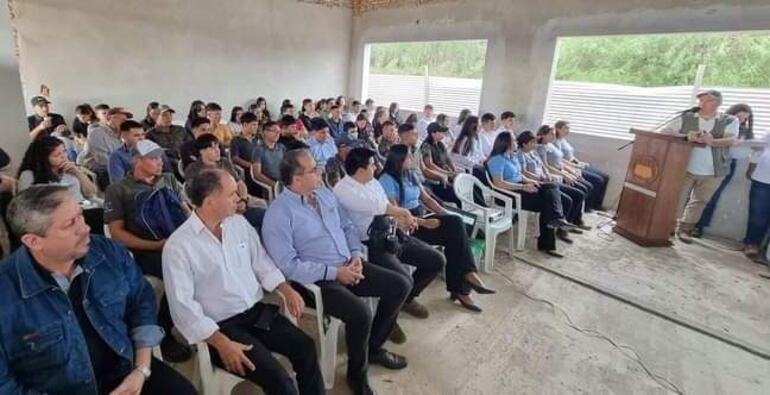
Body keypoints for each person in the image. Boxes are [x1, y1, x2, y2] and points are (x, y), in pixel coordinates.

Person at [0, 185, 197, 394]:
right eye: (69, 224)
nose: (84, 228)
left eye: (80, 216)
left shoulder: (107, 252)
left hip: (125, 368)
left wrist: (141, 369)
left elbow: (140, 302)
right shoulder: (6, 292)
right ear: (33, 241)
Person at [262, 149, 411, 395]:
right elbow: (288, 266)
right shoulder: (278, 213)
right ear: (297, 179)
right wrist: (334, 273)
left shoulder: (325, 195)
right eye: (313, 170)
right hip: (317, 280)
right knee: (360, 314)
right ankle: (357, 375)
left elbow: (347, 226)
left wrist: (355, 254)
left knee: (400, 285)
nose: (320, 172)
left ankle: (373, 347)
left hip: (348, 264)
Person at [163, 169, 323, 394]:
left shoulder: (238, 224)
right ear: (210, 202)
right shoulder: (179, 246)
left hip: (256, 314)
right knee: (279, 380)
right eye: (231, 194)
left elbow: (262, 262)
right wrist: (221, 344)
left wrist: (285, 288)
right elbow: (184, 309)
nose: (239, 198)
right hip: (220, 328)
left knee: (305, 348)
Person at [104, 139, 192, 362]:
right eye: (153, 158)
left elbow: (185, 211)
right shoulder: (119, 189)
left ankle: (207, 318)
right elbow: (117, 233)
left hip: (177, 241)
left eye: (160, 157)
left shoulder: (169, 179)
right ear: (137, 160)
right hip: (147, 249)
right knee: (176, 276)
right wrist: (157, 245)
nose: (160, 162)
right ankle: (164, 330)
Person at [378, 145, 495, 311]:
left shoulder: (410, 175)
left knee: (455, 223)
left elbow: (426, 199)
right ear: (399, 160)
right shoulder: (387, 180)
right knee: (451, 234)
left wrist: (443, 214)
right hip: (406, 226)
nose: (412, 159)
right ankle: (458, 286)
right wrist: (424, 222)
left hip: (422, 217)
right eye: (409, 157)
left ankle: (465, 281)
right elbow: (397, 215)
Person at [662, 90, 739, 243]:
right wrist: (685, 136)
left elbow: (732, 140)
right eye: (700, 100)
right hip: (683, 166)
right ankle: (667, 226)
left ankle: (685, 229)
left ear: (717, 103)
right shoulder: (687, 116)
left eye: (706, 100)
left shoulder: (729, 120)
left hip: (714, 170)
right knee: (675, 197)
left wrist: (712, 142)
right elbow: (665, 132)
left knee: (700, 201)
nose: (701, 103)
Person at [486, 132, 576, 257]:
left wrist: (531, 181)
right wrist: (523, 186)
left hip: (522, 187)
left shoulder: (511, 156)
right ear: (506, 143)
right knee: (549, 203)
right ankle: (548, 239)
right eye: (514, 141)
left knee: (556, 192)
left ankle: (556, 219)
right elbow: (498, 184)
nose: (516, 143)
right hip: (509, 193)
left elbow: (519, 175)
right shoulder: (497, 160)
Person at [17, 136, 102, 235]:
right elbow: (27, 205)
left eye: (64, 151)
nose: (64, 157)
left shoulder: (69, 169)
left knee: (108, 212)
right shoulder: (29, 175)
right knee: (98, 216)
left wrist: (77, 173)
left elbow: (91, 193)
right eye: (57, 155)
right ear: (43, 158)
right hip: (58, 214)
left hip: (83, 205)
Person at [517, 131, 590, 243]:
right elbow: (524, 172)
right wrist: (540, 178)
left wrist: (546, 174)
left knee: (578, 194)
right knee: (566, 201)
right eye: (532, 143)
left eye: (534, 142)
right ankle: (557, 227)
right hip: (538, 182)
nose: (534, 145)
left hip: (547, 180)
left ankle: (564, 225)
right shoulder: (519, 154)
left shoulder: (534, 153)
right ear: (524, 144)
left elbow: (543, 165)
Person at [694, 104, 754, 237]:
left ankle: (699, 226)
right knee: (697, 193)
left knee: (713, 195)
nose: (741, 121)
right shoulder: (718, 123)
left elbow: (742, 153)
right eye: (739, 117)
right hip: (708, 159)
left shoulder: (746, 133)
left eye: (745, 119)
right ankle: (685, 223)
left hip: (727, 163)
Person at [184, 134, 267, 230]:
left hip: (238, 199)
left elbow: (240, 183)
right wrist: (230, 206)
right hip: (218, 208)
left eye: (218, 147)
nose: (217, 150)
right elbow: (198, 198)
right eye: (212, 148)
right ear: (201, 151)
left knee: (266, 210)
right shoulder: (193, 169)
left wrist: (243, 200)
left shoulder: (224, 162)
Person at [536, 125, 596, 213]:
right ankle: (573, 218)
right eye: (551, 134)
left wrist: (571, 171)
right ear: (543, 135)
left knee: (585, 188)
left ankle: (576, 217)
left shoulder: (550, 145)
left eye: (554, 134)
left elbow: (560, 161)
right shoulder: (541, 147)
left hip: (560, 172)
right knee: (579, 192)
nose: (553, 136)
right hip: (555, 175)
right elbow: (547, 167)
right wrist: (565, 175)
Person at [553, 120, 610, 212]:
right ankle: (588, 206)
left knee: (605, 177)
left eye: (569, 128)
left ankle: (597, 205)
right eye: (566, 128)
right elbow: (560, 159)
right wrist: (574, 166)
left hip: (574, 164)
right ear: (557, 129)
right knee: (597, 180)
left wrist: (579, 162)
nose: (568, 131)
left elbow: (570, 155)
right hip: (569, 167)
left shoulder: (563, 140)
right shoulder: (555, 142)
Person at [81, 107, 133, 191]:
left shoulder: (121, 135)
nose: (124, 123)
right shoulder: (97, 133)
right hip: (100, 172)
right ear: (109, 118)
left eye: (125, 120)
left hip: (118, 169)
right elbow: (103, 161)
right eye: (121, 119)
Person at [420, 122, 460, 204]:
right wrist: (446, 173)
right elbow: (429, 165)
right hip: (436, 179)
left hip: (446, 175)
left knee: (463, 188)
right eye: (440, 132)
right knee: (456, 194)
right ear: (433, 133)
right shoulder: (426, 146)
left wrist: (454, 170)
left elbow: (448, 159)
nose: (443, 134)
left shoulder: (440, 144)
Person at [744, 132, 770, 259]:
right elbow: (757, 148)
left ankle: (765, 251)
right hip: (763, 178)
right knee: (758, 215)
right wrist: (751, 167)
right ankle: (752, 244)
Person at [252, 121, 286, 190]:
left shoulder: (281, 147)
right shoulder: (258, 150)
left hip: (285, 182)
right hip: (271, 185)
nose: (277, 134)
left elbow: (288, 166)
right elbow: (257, 174)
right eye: (274, 131)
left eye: (279, 132)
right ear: (265, 132)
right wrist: (275, 185)